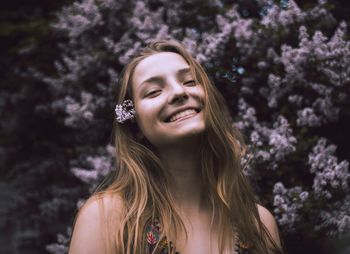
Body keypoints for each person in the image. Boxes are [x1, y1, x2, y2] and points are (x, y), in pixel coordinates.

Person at [68, 39, 283, 254]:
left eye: (189, 81)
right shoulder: (106, 218)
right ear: (135, 127)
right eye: (153, 92)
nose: (179, 92)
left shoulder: (259, 224)